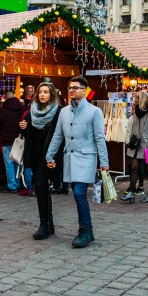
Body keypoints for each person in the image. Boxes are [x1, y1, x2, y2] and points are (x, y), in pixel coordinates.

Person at [45, 76, 110, 248]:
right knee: (77, 192)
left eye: (75, 87)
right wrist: (49, 156)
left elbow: (99, 138)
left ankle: (85, 230)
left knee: (80, 192)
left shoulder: (94, 111)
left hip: (86, 157)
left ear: (84, 90)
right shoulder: (64, 112)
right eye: (70, 88)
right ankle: (87, 229)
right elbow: (58, 135)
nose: (72, 90)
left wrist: (104, 161)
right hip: (70, 158)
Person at [19, 82, 63, 240]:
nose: (42, 95)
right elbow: (27, 134)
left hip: (49, 155)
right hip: (35, 155)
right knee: (41, 188)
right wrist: (23, 127)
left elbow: (60, 136)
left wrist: (54, 157)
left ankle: (45, 224)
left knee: (40, 186)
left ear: (52, 95)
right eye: (40, 92)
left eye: (46, 92)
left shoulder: (58, 112)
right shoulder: (32, 111)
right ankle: (47, 224)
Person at [122, 91, 148, 202]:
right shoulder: (136, 111)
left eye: (137, 98)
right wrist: (130, 139)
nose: (135, 100)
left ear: (142, 98)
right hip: (136, 144)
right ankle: (131, 192)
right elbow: (133, 126)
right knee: (133, 167)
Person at [0, 90, 25, 194]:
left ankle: (12, 186)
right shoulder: (21, 109)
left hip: (6, 140)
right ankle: (18, 183)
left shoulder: (3, 110)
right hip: (19, 140)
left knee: (9, 164)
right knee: (18, 162)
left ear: (5, 98)